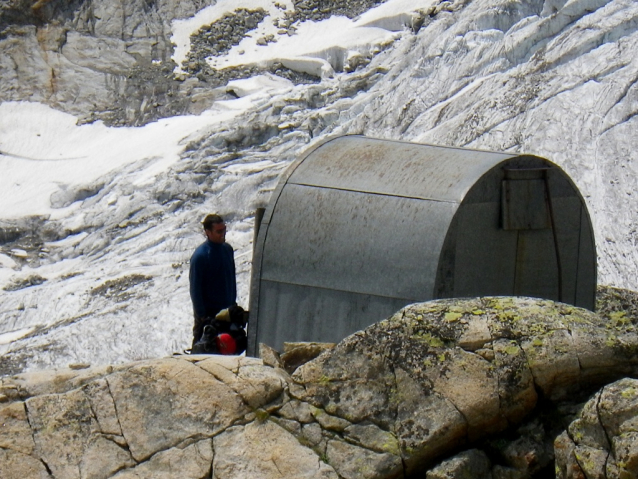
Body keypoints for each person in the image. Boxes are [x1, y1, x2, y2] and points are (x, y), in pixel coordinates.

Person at [189, 214, 237, 348]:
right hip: (209, 315)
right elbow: (195, 288)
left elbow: (231, 278)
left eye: (224, 230)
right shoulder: (200, 256)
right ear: (207, 232)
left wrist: (233, 304)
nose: (223, 234)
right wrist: (202, 315)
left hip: (227, 311)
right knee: (205, 350)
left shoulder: (227, 249)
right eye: (219, 231)